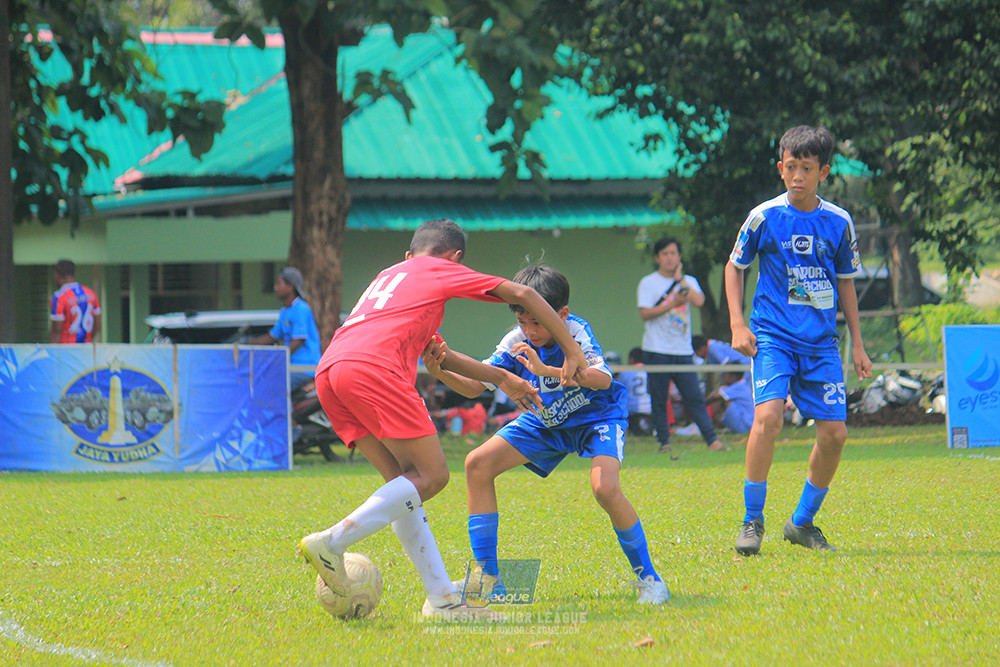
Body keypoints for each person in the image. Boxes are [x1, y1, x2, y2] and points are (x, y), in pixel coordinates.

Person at [296, 219, 589, 621]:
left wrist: (503, 378)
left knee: (404, 489)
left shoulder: (390, 278)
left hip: (332, 371)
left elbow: (443, 357)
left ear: (408, 254)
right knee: (432, 476)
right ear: (455, 259)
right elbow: (522, 293)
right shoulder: (437, 268)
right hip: (372, 369)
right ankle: (332, 542)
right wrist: (572, 350)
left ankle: (442, 599)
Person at [423, 265, 670, 605]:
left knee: (605, 488)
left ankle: (651, 580)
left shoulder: (576, 330)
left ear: (561, 314)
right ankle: (489, 581)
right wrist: (441, 371)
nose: (529, 330)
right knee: (477, 464)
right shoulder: (516, 340)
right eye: (522, 321)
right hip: (546, 420)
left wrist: (545, 370)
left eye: (536, 322)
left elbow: (601, 379)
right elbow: (475, 387)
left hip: (596, 417)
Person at [726, 125, 872, 556]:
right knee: (768, 418)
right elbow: (735, 267)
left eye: (807, 168)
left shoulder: (839, 222)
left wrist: (858, 344)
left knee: (835, 435)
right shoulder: (764, 216)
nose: (797, 176)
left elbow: (845, 283)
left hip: (821, 344)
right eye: (791, 167)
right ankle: (752, 520)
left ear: (823, 172)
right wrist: (737, 324)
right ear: (780, 167)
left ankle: (802, 522)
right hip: (772, 336)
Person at [637, 237, 728, 453]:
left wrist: (681, 280)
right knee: (659, 399)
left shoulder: (688, 281)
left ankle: (712, 440)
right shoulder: (648, 282)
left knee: (694, 397)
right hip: (656, 349)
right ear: (657, 257)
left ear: (679, 257)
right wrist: (673, 304)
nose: (670, 258)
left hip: (683, 350)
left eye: (673, 253)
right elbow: (645, 314)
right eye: (665, 254)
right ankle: (664, 443)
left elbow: (699, 301)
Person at [251, 267, 321, 392]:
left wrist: (278, 358)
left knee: (272, 387)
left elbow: (298, 340)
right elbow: (272, 336)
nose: (275, 288)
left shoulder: (301, 309)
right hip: (291, 367)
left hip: (304, 368)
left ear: (290, 286)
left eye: (279, 283)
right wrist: (248, 344)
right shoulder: (285, 310)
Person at [49, 259, 102, 344]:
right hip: (86, 347)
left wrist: (52, 349)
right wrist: (88, 338)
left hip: (66, 348)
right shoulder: (90, 293)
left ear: (57, 274)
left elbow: (56, 330)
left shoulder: (59, 297)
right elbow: (98, 323)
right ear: (74, 274)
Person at [705, 363, 754, 434]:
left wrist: (702, 404)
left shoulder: (738, 386)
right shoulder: (742, 384)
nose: (723, 376)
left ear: (732, 376)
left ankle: (704, 422)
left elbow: (715, 395)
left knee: (721, 399)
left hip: (746, 426)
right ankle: (710, 423)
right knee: (723, 398)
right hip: (747, 424)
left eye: (725, 374)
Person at [616, 347, 654, 437]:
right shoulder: (651, 371)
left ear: (631, 359)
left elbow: (619, 392)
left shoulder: (625, 372)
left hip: (632, 410)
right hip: (651, 408)